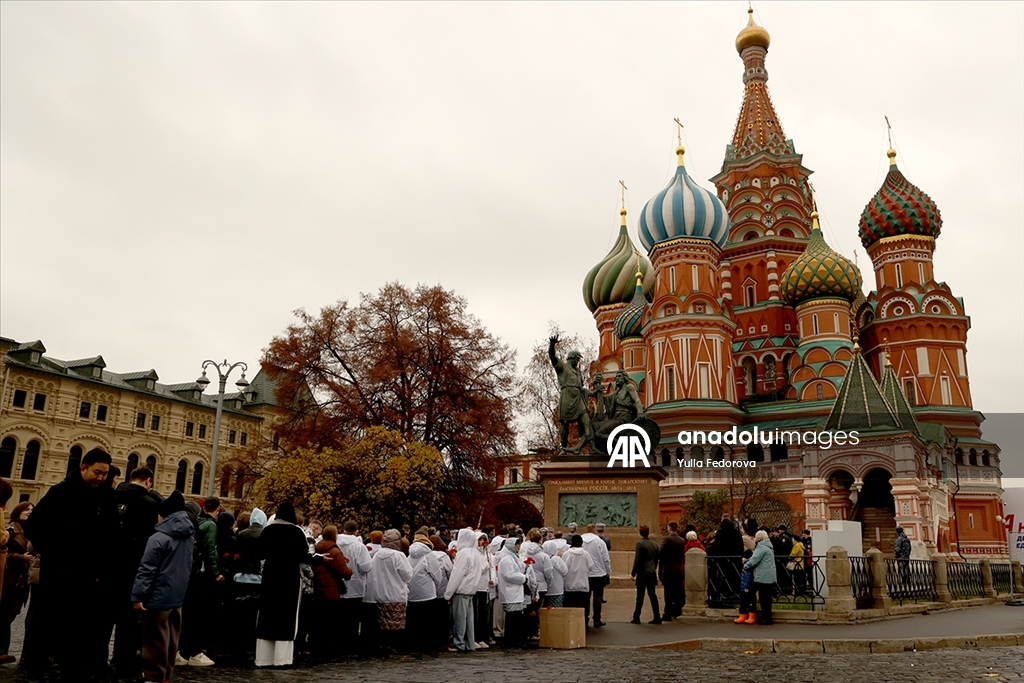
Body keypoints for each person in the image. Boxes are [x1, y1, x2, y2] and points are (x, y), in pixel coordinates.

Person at [23, 447, 120, 679]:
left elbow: (112, 533)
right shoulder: (61, 492)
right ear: (83, 468)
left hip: (92, 578)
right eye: (97, 472)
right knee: (51, 626)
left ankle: (76, 670)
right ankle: (38, 668)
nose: (101, 478)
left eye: (105, 474)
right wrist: (57, 553)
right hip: (60, 575)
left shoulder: (106, 496)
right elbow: (34, 527)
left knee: (82, 632)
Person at [131, 491, 194, 683]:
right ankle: (165, 676)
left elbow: (147, 569)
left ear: (163, 514)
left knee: (154, 640)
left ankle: (154, 677)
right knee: (171, 640)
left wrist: (138, 595)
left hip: (157, 597)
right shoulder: (188, 536)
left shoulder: (158, 538)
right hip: (177, 596)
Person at [112, 466, 162, 673]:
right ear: (148, 481)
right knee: (130, 617)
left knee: (103, 615)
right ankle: (123, 659)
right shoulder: (148, 503)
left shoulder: (111, 497)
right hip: (135, 567)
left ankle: (95, 660)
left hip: (108, 565)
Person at [256, 502, 313, 667]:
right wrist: (320, 558)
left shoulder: (268, 530)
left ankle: (263, 658)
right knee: (286, 616)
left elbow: (260, 552)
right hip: (289, 578)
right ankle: (282, 659)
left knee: (267, 615)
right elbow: (304, 556)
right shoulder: (296, 532)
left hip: (270, 577)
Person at [366, 529, 413, 654]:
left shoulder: (376, 555)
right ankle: (395, 646)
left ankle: (384, 645)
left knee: (384, 622)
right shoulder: (399, 556)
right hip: (397, 593)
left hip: (380, 593)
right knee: (397, 623)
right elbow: (407, 575)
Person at [308, 525, 352, 656]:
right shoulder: (334, 550)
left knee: (319, 620)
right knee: (331, 620)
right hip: (331, 588)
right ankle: (329, 648)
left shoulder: (317, 547)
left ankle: (317, 646)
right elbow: (343, 571)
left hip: (318, 587)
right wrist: (350, 571)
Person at [548, 335, 592, 453]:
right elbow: (552, 357)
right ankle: (563, 448)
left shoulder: (577, 371)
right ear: (572, 358)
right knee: (565, 423)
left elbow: (582, 387)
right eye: (577, 359)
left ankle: (583, 447)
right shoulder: (562, 367)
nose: (578, 362)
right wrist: (552, 345)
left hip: (579, 398)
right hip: (567, 396)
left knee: (586, 420)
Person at [0, 501, 32, 663]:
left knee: (10, 614)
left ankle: (3, 650)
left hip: (22, 580)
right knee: (4, 614)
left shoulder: (32, 531)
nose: (30, 511)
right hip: (9, 578)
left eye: (32, 509)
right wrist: (22, 558)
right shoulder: (11, 529)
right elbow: (4, 554)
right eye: (26, 509)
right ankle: (2, 650)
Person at [336, 520, 372, 653]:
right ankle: (351, 645)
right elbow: (366, 566)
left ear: (343, 529)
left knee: (340, 617)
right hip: (356, 586)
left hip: (338, 585)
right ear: (356, 531)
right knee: (353, 618)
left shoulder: (336, 542)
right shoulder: (359, 546)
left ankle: (339, 643)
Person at [445, 528, 483, 652]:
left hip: (461, 590)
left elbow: (457, 574)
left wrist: (448, 593)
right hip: (471, 590)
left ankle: (459, 643)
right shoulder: (476, 553)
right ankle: (470, 642)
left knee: (459, 618)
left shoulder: (463, 553)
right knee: (469, 619)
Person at [406, 534, 442, 652]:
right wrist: (436, 586)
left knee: (414, 621)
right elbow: (436, 574)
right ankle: (429, 645)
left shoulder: (409, 556)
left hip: (412, 592)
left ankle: (414, 644)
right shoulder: (429, 556)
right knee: (428, 622)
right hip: (427, 593)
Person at [496, 536, 529, 648]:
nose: (518, 547)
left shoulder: (514, 558)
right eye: (516, 545)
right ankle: (509, 641)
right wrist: (523, 577)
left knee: (516, 618)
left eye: (519, 544)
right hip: (510, 592)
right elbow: (509, 575)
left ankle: (515, 640)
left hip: (516, 592)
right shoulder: (506, 560)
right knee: (511, 619)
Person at [706, 517, 744, 606]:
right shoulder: (736, 533)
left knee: (724, 580)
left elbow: (718, 546)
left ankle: (724, 597)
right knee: (734, 579)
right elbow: (740, 547)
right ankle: (735, 596)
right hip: (735, 561)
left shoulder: (720, 533)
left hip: (723, 562)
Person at [743, 530, 777, 625]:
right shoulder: (769, 546)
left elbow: (754, 560)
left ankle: (766, 618)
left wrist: (745, 566)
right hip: (769, 576)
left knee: (763, 598)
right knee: (767, 598)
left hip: (762, 576)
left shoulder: (761, 547)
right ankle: (767, 617)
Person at [580, 523, 611, 626]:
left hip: (585, 573)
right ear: (594, 531)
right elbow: (605, 558)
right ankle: (597, 619)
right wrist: (608, 571)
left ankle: (585, 619)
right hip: (598, 572)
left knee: (585, 597)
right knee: (597, 597)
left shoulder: (580, 539)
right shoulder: (599, 541)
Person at [630, 525, 661, 624]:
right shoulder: (655, 544)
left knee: (640, 596)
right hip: (651, 572)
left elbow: (637, 560)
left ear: (640, 533)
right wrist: (653, 569)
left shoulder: (640, 544)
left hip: (642, 573)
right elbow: (656, 560)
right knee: (653, 595)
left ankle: (636, 617)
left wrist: (633, 573)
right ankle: (657, 616)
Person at [658, 521, 686, 621]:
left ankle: (668, 613)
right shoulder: (682, 540)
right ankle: (677, 611)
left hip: (668, 570)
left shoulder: (666, 539)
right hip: (678, 569)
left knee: (668, 592)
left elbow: (660, 553)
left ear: (669, 528)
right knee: (677, 591)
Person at [561, 534, 593, 611]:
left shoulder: (566, 554)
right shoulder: (585, 554)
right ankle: (584, 622)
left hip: (569, 586)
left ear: (571, 543)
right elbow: (591, 567)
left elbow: (563, 568)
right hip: (582, 586)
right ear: (582, 543)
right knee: (582, 611)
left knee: (569, 610)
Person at [734, 548, 756, 624]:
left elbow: (748, 578)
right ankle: (744, 616)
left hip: (748, 587)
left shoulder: (748, 566)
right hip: (746, 586)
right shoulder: (748, 565)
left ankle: (749, 617)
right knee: (745, 602)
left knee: (749, 602)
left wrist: (746, 587)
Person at [894, 526, 911, 596]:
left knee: (902, 571)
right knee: (907, 570)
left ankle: (904, 584)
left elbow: (897, 549)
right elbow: (910, 548)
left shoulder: (899, 539)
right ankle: (908, 583)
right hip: (906, 557)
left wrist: (896, 556)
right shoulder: (906, 539)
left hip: (901, 557)